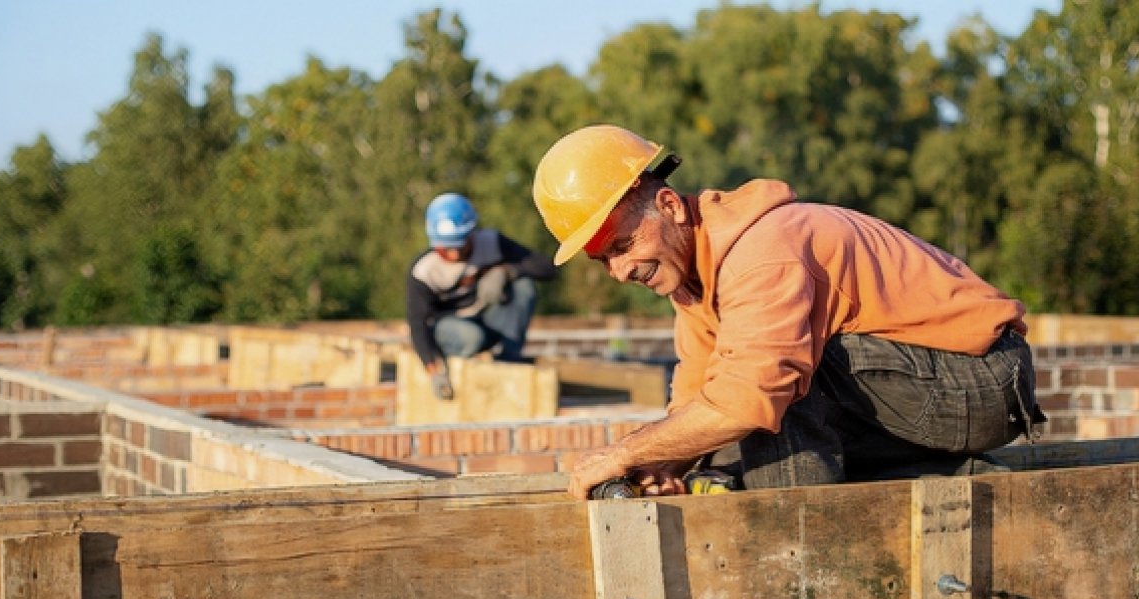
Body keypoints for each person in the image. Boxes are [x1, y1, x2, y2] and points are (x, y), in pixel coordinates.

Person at [531, 125, 1045, 499]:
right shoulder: (693, 284)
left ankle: (803, 570)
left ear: (668, 206)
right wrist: (663, 463)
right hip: (918, 390)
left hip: (984, 381)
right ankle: (955, 478)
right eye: (604, 260)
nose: (620, 272)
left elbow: (746, 396)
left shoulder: (762, 251)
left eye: (623, 245)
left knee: (771, 389)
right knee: (728, 443)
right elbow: (696, 398)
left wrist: (625, 452)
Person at [407, 192, 557, 400]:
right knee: (471, 336)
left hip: (487, 317)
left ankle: (508, 359)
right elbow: (417, 325)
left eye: (460, 245)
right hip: (451, 327)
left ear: (472, 233)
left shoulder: (491, 243)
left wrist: (506, 271)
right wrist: (433, 369)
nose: (455, 254)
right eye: (447, 248)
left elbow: (548, 268)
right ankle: (465, 360)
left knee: (524, 286)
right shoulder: (424, 271)